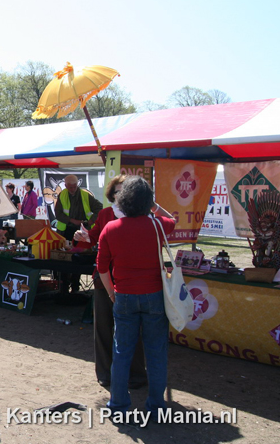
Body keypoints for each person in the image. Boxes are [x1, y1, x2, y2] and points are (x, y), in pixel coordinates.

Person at [96, 176, 176, 421]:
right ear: (146, 202)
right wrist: (153, 205)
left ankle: (118, 404)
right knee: (156, 354)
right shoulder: (157, 225)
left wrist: (112, 292)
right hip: (154, 297)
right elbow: (173, 219)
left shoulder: (111, 228)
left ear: (122, 201)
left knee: (122, 353)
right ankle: (155, 406)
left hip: (124, 296)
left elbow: (101, 268)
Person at [74, 174, 147, 389]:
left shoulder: (142, 215)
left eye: (126, 190)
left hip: (134, 280)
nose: (121, 195)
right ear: (112, 194)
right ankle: (105, 373)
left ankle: (136, 374)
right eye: (118, 191)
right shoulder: (106, 214)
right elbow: (92, 239)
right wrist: (83, 237)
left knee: (134, 328)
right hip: (105, 278)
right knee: (104, 327)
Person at [55, 174, 103, 293]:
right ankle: (64, 285)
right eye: (70, 187)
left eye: (74, 186)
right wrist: (72, 220)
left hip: (82, 231)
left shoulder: (85, 195)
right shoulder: (62, 195)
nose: (73, 189)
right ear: (65, 186)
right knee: (65, 259)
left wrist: (91, 220)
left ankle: (75, 285)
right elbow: (58, 214)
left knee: (79, 258)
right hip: (66, 231)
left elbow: (100, 207)